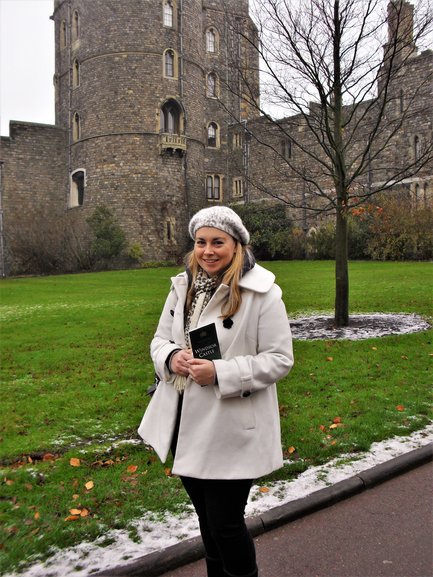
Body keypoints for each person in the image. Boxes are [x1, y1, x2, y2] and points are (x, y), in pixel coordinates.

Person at [138, 206, 294, 577]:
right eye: (201, 242)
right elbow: (160, 339)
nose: (208, 250)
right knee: (207, 524)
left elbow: (280, 359)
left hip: (231, 427)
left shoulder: (262, 294)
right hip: (186, 424)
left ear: (236, 245)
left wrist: (220, 373)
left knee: (225, 523)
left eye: (218, 242)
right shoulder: (183, 287)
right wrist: (172, 357)